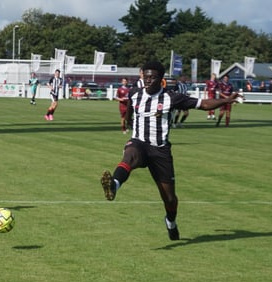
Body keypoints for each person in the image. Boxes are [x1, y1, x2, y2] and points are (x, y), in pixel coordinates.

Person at [100, 61, 241, 240]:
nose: (149, 81)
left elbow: (203, 104)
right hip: (139, 143)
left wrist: (225, 100)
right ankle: (114, 185)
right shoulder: (135, 93)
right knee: (130, 155)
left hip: (160, 151)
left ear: (161, 79)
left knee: (170, 199)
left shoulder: (172, 97)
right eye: (146, 77)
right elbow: (129, 111)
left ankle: (171, 222)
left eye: (153, 77)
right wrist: (129, 123)